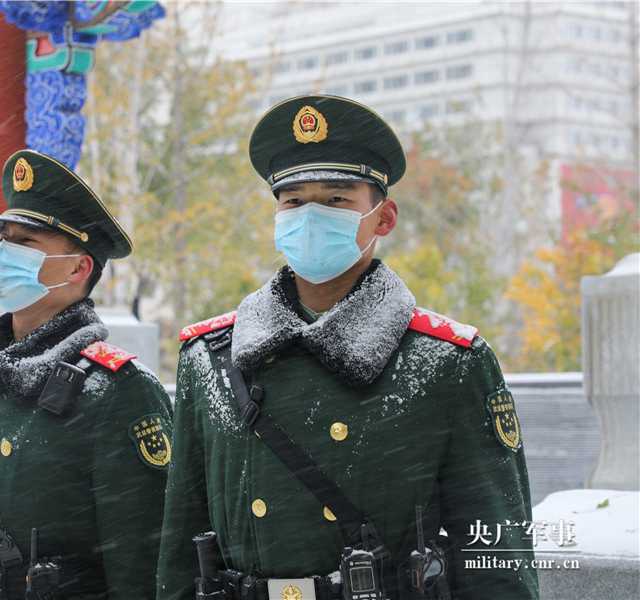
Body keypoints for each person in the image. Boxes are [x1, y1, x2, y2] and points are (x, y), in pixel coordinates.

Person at [156, 96, 539, 600]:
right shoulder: (209, 355)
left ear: (384, 218)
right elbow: (181, 539)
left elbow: (497, 551)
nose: (310, 216)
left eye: (337, 199)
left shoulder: (448, 360)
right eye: (293, 202)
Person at [0, 150, 172, 600]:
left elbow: (142, 560)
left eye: (26, 242)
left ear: (79, 267)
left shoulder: (116, 388)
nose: (4, 254)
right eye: (4, 239)